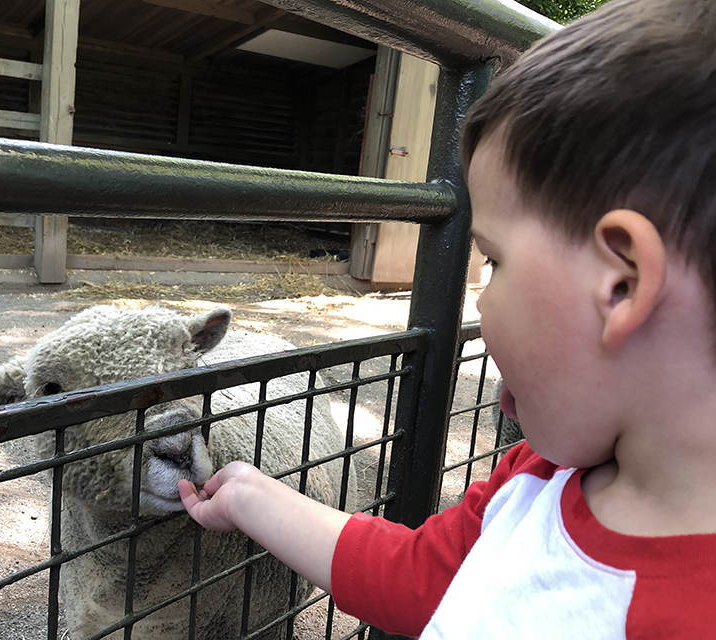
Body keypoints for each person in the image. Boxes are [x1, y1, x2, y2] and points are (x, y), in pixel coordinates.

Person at [178, 0, 716, 636]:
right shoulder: (538, 479)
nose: (480, 298)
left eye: (494, 260)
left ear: (620, 283)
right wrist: (249, 494)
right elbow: (421, 579)